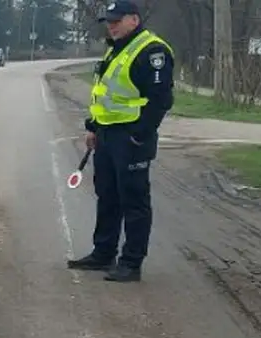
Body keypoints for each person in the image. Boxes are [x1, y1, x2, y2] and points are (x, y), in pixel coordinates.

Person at [67, 0, 174, 282]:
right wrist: (93, 127)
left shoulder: (152, 51)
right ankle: (103, 253)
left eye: (117, 20)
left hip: (131, 138)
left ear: (134, 20)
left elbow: (161, 100)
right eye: (109, 21)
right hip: (106, 135)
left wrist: (141, 134)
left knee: (134, 201)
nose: (112, 26)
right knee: (107, 196)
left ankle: (131, 262)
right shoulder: (117, 49)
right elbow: (105, 94)